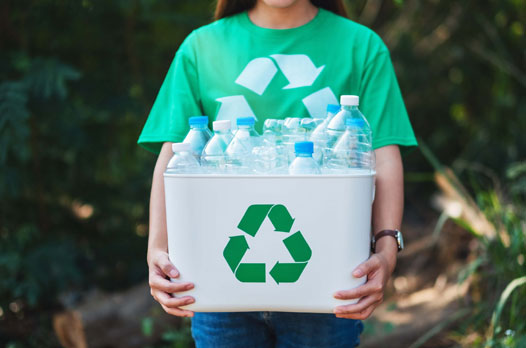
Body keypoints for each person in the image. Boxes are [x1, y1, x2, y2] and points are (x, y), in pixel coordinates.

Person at [138, 0, 417, 346]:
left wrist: (387, 249)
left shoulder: (361, 46)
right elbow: (174, 154)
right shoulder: (202, 47)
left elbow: (384, 156)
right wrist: (157, 250)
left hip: (327, 280)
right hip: (219, 280)